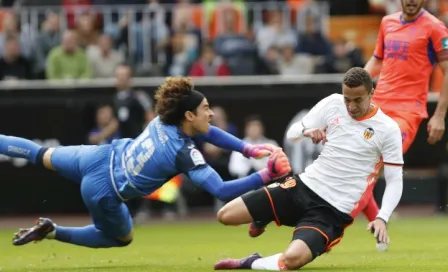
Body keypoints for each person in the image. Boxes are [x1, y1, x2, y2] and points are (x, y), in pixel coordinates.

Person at [0, 77, 291, 249]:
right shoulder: (184, 154)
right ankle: (53, 231)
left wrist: (247, 149)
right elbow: (224, 192)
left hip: (98, 156)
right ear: (189, 116)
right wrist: (267, 174)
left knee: (41, 155)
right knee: (121, 239)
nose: (211, 114)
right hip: (105, 190)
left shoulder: (164, 119)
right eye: (205, 109)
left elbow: (209, 132)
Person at [213, 67, 404, 271]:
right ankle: (266, 215)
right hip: (303, 186)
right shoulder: (333, 103)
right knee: (226, 215)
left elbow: (394, 179)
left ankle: (250, 262)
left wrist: (382, 217)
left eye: (358, 100)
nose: (351, 106)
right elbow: (292, 133)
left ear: (371, 93)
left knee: (292, 259)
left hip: (332, 211)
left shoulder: (387, 129)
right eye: (347, 99)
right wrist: (307, 131)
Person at [358, 0, 448, 222]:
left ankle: (341, 219)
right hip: (377, 107)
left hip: (406, 113)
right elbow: (377, 60)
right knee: (362, 166)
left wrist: (439, 115)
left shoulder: (435, 27)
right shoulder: (387, 22)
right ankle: (375, 221)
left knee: (377, 161)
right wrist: (354, 83)